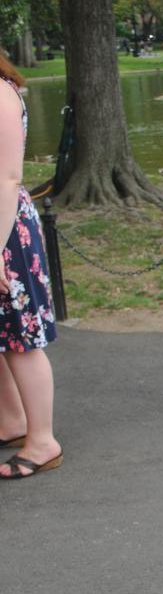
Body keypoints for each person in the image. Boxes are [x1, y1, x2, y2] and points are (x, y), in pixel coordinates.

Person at [0, 52, 60, 479]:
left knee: (22, 337)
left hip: (4, 232)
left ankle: (43, 440)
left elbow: (8, 177)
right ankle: (12, 420)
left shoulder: (2, 94)